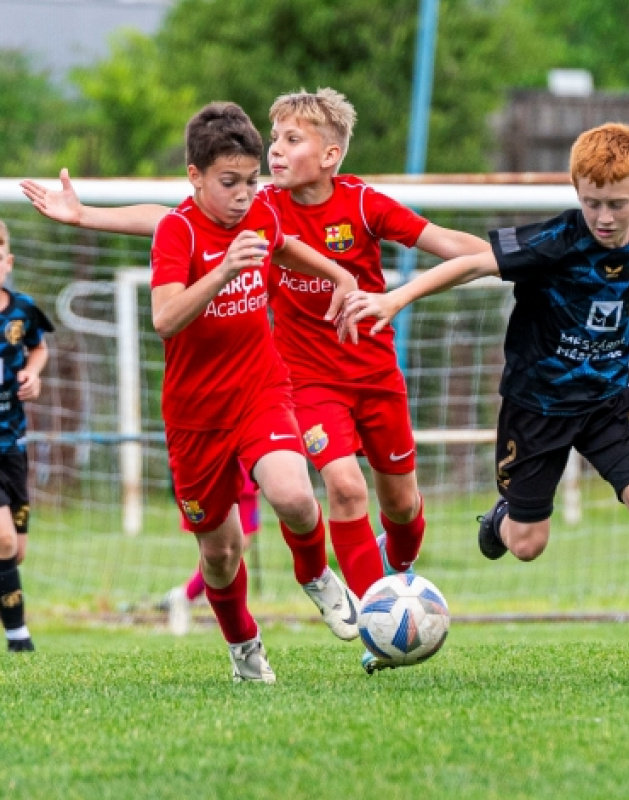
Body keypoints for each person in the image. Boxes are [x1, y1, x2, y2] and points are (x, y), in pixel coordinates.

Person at [21, 87, 490, 674]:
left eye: (286, 144)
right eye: (272, 142)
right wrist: (90, 216)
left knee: (349, 498)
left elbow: (303, 248)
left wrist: (360, 283)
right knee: (254, 534)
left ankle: (358, 585)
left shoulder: (312, 207)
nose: (259, 174)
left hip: (317, 382)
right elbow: (166, 258)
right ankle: (289, 640)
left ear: (331, 154)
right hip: (244, 399)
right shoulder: (216, 218)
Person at [344, 122, 629, 686]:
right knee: (528, 545)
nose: (604, 217)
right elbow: (472, 264)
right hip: (536, 408)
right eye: (591, 203)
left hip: (609, 402)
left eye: (616, 204)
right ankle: (505, 517)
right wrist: (398, 297)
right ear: (575, 192)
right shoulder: (556, 240)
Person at [113, 101, 361, 684]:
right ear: (195, 177)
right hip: (195, 414)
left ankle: (316, 576)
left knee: (295, 497)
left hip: (260, 388)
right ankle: (244, 646)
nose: (245, 194)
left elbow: (284, 244)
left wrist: (339, 273)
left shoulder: (259, 216)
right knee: (221, 553)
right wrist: (221, 272)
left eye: (252, 181)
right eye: (230, 183)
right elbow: (166, 318)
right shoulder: (178, 231)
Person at [0, 219, 54, 652]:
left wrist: (32, 375)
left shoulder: (22, 310)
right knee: (1, 540)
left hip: (13, 446)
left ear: (8, 261)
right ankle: (20, 639)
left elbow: (39, 347)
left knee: (15, 552)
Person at [166, 461, 260, 636]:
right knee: (221, 547)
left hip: (245, 471)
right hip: (217, 466)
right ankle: (186, 596)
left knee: (239, 545)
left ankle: (189, 594)